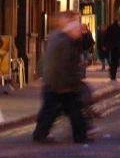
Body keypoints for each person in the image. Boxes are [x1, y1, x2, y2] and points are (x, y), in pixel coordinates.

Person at [33, 11, 88, 144]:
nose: (78, 33)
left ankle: (41, 134)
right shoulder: (63, 41)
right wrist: (64, 85)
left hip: (55, 82)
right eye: (76, 30)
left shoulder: (56, 37)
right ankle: (79, 136)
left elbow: (47, 59)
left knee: (52, 110)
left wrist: (40, 73)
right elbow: (61, 64)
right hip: (60, 84)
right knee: (70, 111)